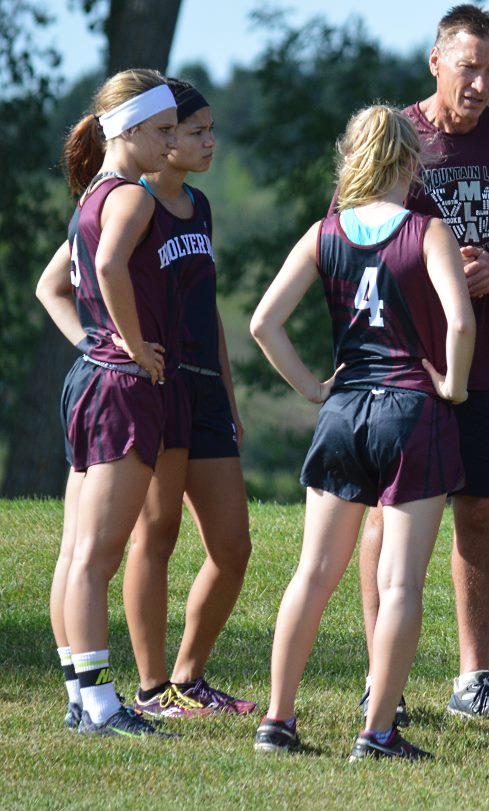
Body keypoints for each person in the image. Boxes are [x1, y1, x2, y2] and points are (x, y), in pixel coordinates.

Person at [251, 105, 474, 759]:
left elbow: (265, 321)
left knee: (313, 572)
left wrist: (314, 387)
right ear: (411, 161)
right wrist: (455, 386)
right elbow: (460, 323)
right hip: (411, 410)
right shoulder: (426, 230)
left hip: (344, 409)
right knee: (401, 581)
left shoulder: (325, 232)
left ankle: (277, 720)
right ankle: (376, 732)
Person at [356, 3, 489, 723]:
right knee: (389, 518)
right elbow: (356, 238)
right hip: (404, 363)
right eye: (469, 66)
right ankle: (384, 680)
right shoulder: (398, 138)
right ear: (436, 60)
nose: (480, 83)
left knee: (477, 512)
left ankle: (474, 677)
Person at [37, 68, 180, 738]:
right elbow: (106, 269)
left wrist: (96, 342)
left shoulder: (91, 193)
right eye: (163, 129)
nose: (173, 141)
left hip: (92, 377)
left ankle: (79, 694)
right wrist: (130, 343)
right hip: (121, 387)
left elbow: (51, 287)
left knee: (76, 552)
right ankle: (97, 704)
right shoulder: (133, 197)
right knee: (96, 555)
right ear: (125, 129)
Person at [120, 79, 255, 718]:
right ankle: (151, 692)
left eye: (206, 130)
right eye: (193, 131)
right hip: (156, 392)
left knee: (232, 548)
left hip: (204, 393)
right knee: (159, 533)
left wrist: (229, 396)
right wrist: (119, 344)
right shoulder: (130, 200)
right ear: (163, 136)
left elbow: (209, 310)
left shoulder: (198, 206)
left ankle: (188, 679)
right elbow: (60, 283)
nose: (206, 142)